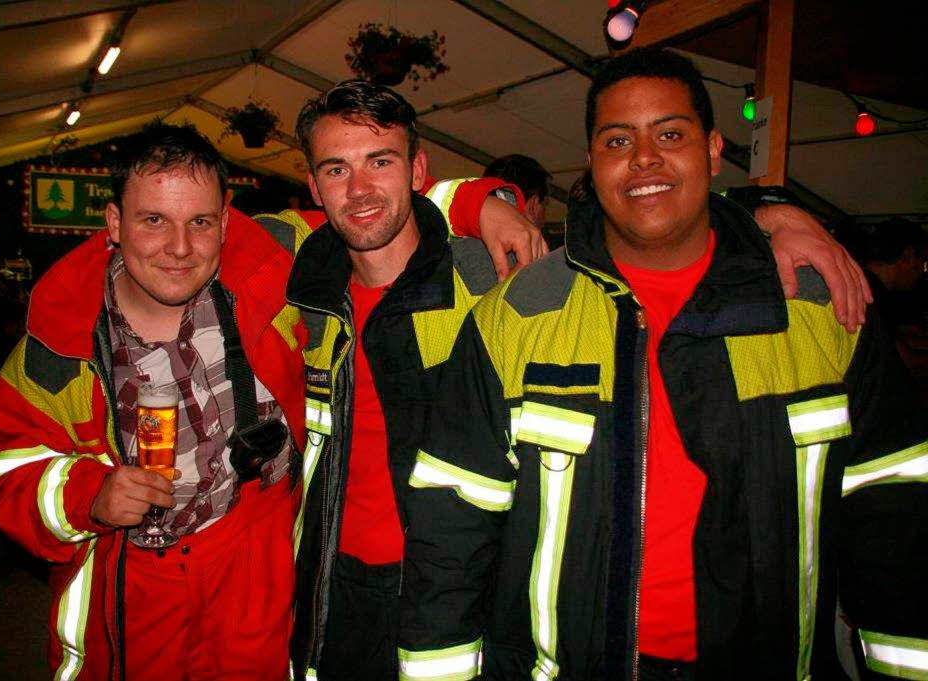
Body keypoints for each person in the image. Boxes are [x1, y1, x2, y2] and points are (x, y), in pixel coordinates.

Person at [260, 79, 873, 681]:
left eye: (381, 161)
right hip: (333, 580)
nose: (360, 187)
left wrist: (772, 210)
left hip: (464, 586)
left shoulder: (490, 281)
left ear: (417, 170)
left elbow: (642, 214)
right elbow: (194, 230)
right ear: (314, 185)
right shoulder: (301, 287)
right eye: (336, 170)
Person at [398, 48, 927, 681]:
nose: (644, 158)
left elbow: (897, 521)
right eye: (617, 140)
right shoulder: (519, 315)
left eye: (669, 134)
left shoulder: (819, 309)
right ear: (592, 166)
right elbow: (451, 532)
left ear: (712, 149)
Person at [0, 120, 542, 681]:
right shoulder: (60, 347)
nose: (179, 248)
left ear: (225, 222)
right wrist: (88, 494)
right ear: (114, 224)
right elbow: (4, 475)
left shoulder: (268, 269)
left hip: (253, 598)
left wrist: (480, 202)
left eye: (200, 222)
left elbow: (371, 204)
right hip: (131, 611)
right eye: (153, 221)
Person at [483, 154, 552, 230]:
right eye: (544, 205)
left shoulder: (470, 236)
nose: (543, 221)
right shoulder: (525, 240)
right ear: (533, 205)